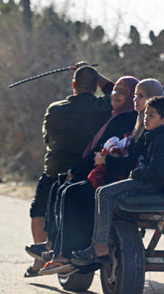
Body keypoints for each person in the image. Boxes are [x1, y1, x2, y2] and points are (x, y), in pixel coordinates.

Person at [35, 76, 138, 274]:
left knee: (72, 192)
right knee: (61, 186)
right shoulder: (114, 114)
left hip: (112, 175)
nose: (115, 95)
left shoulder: (126, 119)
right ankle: (56, 248)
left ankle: (69, 253)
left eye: (122, 93)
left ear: (132, 98)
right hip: (102, 170)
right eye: (114, 91)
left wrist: (76, 170)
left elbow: (102, 153)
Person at [72, 96, 164, 266]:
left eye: (151, 116)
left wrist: (134, 173)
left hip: (162, 186)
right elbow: (133, 160)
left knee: (104, 193)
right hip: (148, 180)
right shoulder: (150, 135)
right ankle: (101, 242)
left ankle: (99, 246)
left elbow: (156, 173)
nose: (146, 119)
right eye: (146, 115)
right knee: (104, 190)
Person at [25, 63, 114, 277]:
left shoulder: (55, 109)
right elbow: (116, 91)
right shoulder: (103, 107)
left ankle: (40, 260)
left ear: (73, 84)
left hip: (56, 170)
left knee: (38, 210)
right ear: (95, 87)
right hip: (88, 171)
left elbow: (47, 138)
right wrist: (96, 74)